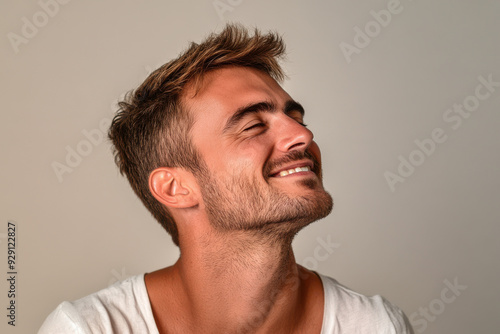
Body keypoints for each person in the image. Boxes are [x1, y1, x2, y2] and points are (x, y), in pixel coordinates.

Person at [38, 24, 413, 334]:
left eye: (296, 118)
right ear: (176, 188)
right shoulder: (88, 329)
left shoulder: (375, 326)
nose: (304, 136)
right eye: (253, 125)